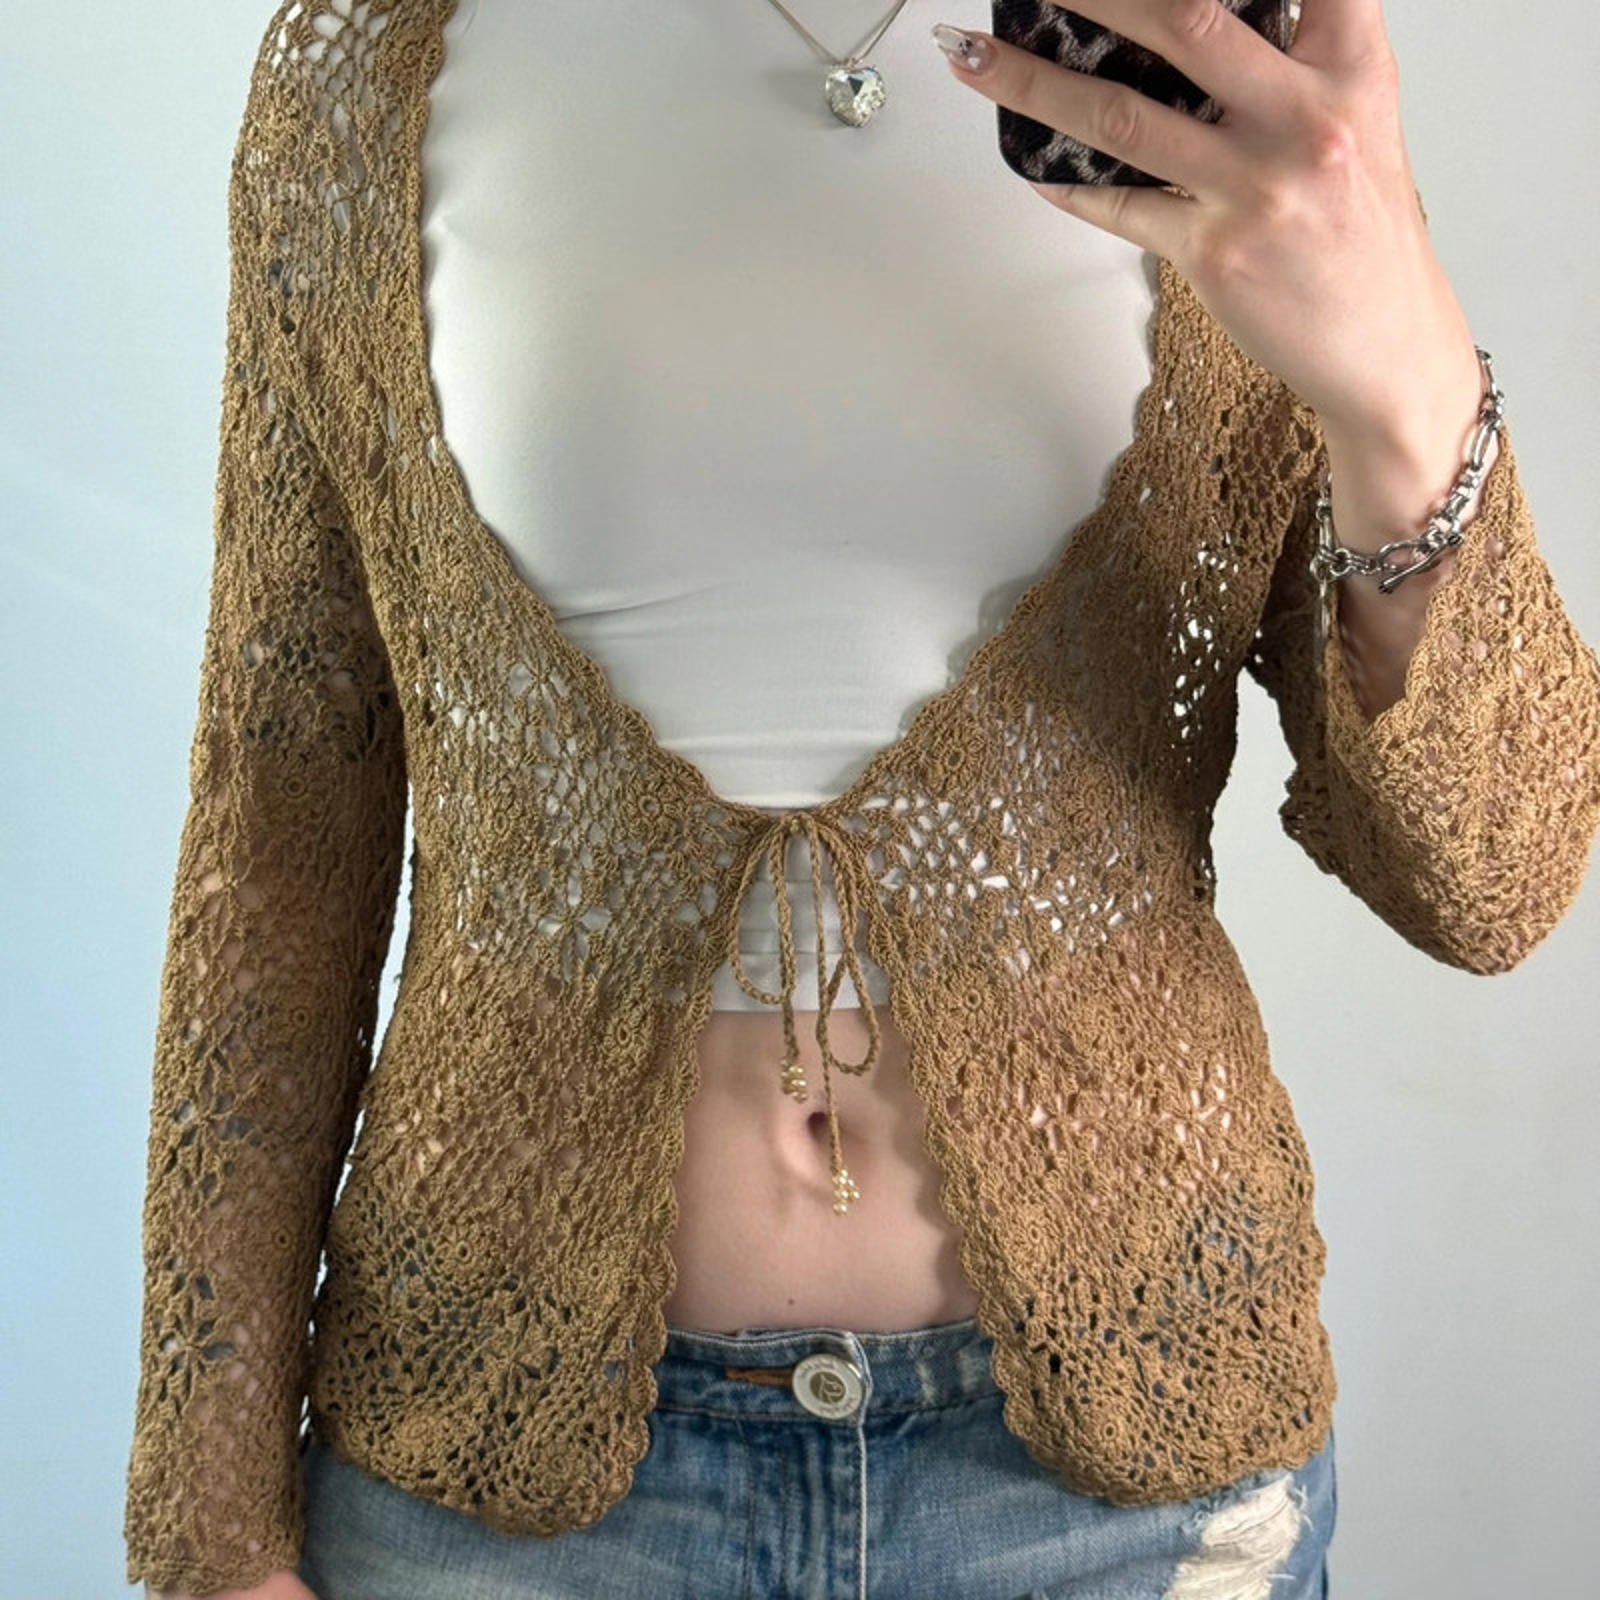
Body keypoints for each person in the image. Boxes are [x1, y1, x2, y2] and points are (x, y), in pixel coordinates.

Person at [128, 3, 1599, 1599]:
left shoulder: (1222, 74)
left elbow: (1491, 875)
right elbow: (281, 819)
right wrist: (213, 1526)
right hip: (493, 1470)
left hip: (1123, 1499)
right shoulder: (373, 65)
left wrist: (1405, 387)